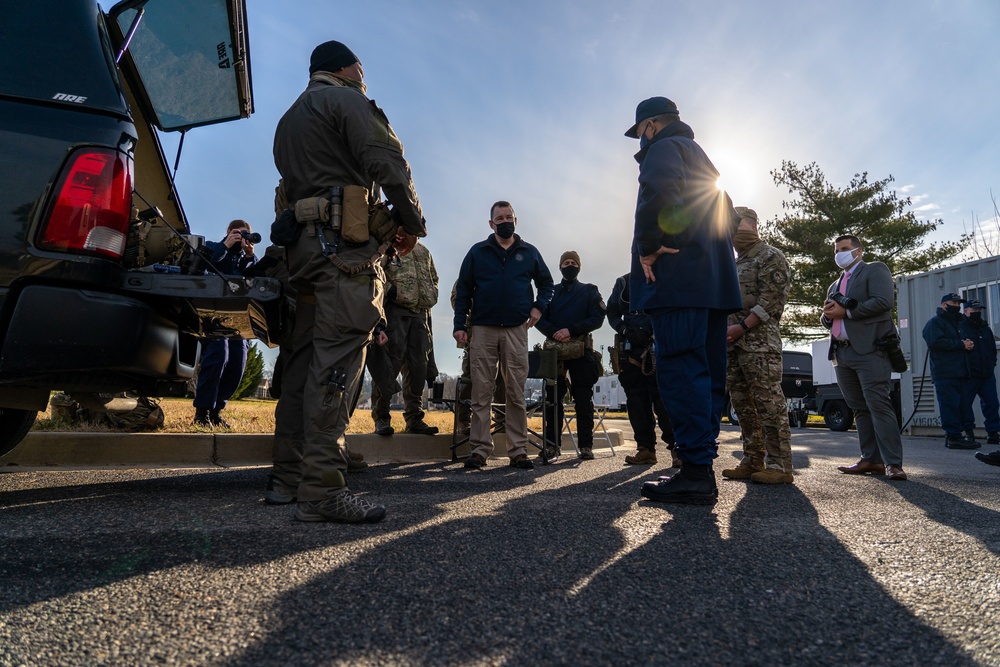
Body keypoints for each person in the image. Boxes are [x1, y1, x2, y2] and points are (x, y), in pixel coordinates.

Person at [272, 39, 426, 523]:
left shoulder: (289, 119)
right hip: (345, 257)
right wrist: (413, 223)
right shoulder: (348, 101)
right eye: (361, 65)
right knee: (336, 369)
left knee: (301, 366)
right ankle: (321, 491)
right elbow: (388, 162)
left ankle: (288, 478)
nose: (365, 73)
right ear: (346, 67)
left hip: (303, 256)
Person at [622, 97, 742, 505]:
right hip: (712, 287)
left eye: (639, 132)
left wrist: (654, 245)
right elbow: (728, 214)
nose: (639, 140)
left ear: (651, 125)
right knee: (706, 376)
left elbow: (660, 190)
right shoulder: (703, 160)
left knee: (680, 371)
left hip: (678, 285)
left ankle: (694, 472)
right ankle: (699, 467)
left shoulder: (664, 149)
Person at [453, 200, 554, 470]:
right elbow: (463, 291)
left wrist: (538, 307)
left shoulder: (529, 252)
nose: (505, 221)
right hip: (483, 329)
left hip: (516, 329)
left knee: (515, 392)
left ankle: (518, 450)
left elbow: (546, 284)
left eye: (509, 217)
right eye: (499, 218)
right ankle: (480, 450)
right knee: (481, 390)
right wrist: (459, 325)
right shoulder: (477, 252)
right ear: (491, 224)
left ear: (516, 220)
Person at [822, 234, 907, 480]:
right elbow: (828, 317)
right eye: (837, 250)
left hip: (870, 351)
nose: (840, 254)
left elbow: (883, 302)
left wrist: (846, 312)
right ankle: (871, 460)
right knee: (859, 408)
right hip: (842, 352)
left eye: (845, 248)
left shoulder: (874, 270)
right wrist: (828, 316)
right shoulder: (834, 285)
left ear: (859, 251)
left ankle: (893, 463)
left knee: (878, 405)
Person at [722, 207, 794, 484]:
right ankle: (752, 459)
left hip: (759, 345)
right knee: (743, 406)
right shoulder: (735, 262)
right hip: (732, 346)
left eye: (733, 225)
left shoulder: (770, 256)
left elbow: (772, 300)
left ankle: (780, 465)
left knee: (769, 405)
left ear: (750, 225)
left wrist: (742, 327)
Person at [535, 251, 606, 460]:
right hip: (555, 353)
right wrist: (555, 333)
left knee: (584, 399)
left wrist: (572, 330)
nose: (570, 265)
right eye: (566, 262)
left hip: (581, 351)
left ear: (579, 267)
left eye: (573, 262)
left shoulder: (589, 291)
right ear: (560, 266)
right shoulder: (550, 292)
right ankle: (551, 447)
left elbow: (597, 318)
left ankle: (585, 446)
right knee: (552, 401)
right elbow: (538, 318)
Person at [606, 272, 678, 468]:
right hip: (631, 351)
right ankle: (645, 449)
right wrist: (624, 330)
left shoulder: (665, 277)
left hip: (658, 347)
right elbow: (611, 312)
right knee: (636, 401)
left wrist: (652, 329)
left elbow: (674, 308)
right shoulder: (623, 282)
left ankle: (677, 448)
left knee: (663, 401)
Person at [370, 241, 439, 436]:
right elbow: (375, 273)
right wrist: (392, 291)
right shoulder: (386, 246)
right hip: (394, 312)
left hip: (420, 314)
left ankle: (414, 419)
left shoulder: (424, 251)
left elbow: (433, 278)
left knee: (419, 367)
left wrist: (429, 294)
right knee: (389, 365)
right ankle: (381, 417)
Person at [192, 219, 257, 427]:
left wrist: (249, 255)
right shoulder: (213, 247)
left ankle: (216, 411)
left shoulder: (246, 259)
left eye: (245, 234)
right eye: (238, 233)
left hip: (239, 317)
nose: (241, 237)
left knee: (238, 362)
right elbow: (201, 264)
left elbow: (255, 277)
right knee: (219, 356)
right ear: (228, 231)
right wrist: (225, 246)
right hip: (213, 314)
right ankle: (202, 412)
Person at [922, 293, 977, 449]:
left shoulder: (958, 323)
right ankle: (953, 437)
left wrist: (968, 344)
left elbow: (962, 342)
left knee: (962, 405)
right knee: (949, 405)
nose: (957, 306)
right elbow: (936, 342)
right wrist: (961, 344)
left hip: (961, 371)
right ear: (944, 305)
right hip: (945, 372)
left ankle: (963, 435)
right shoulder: (935, 323)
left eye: (959, 303)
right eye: (954, 302)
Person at [960, 299, 1000, 448]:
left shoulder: (985, 328)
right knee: (966, 405)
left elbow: (991, 348)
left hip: (987, 374)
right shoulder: (961, 327)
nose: (977, 313)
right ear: (965, 312)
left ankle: (993, 433)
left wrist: (991, 364)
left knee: (992, 403)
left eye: (978, 311)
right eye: (974, 311)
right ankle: (969, 433)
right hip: (970, 374)